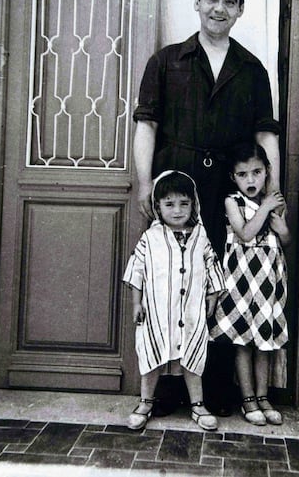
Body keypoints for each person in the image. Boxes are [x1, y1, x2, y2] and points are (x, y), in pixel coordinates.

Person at [132, 0, 282, 414]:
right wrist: (145, 183)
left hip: (229, 193)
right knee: (169, 283)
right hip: (176, 187)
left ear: (240, 10)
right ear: (197, 2)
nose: (219, 8)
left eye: (230, 1)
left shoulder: (252, 70)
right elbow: (147, 125)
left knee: (219, 283)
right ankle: (162, 393)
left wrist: (272, 198)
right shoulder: (166, 61)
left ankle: (214, 393)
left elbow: (267, 136)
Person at [123, 171, 226, 431]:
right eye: (169, 204)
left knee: (192, 356)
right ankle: (145, 403)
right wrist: (137, 304)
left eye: (184, 203)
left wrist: (212, 296)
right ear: (157, 207)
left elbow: (212, 265)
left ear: (194, 204)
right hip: (157, 312)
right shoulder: (151, 237)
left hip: (191, 310)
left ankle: (198, 406)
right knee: (151, 356)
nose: (177, 210)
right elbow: (137, 270)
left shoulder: (200, 236)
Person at [209, 142, 291, 426]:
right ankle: (247, 399)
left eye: (257, 172)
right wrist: (266, 208)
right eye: (243, 174)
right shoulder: (233, 201)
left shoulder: (276, 202)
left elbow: (285, 241)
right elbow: (245, 233)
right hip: (242, 280)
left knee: (265, 342)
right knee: (243, 341)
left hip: (268, 279)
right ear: (233, 177)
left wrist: (282, 229)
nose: (251, 180)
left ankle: (263, 396)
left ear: (267, 172)